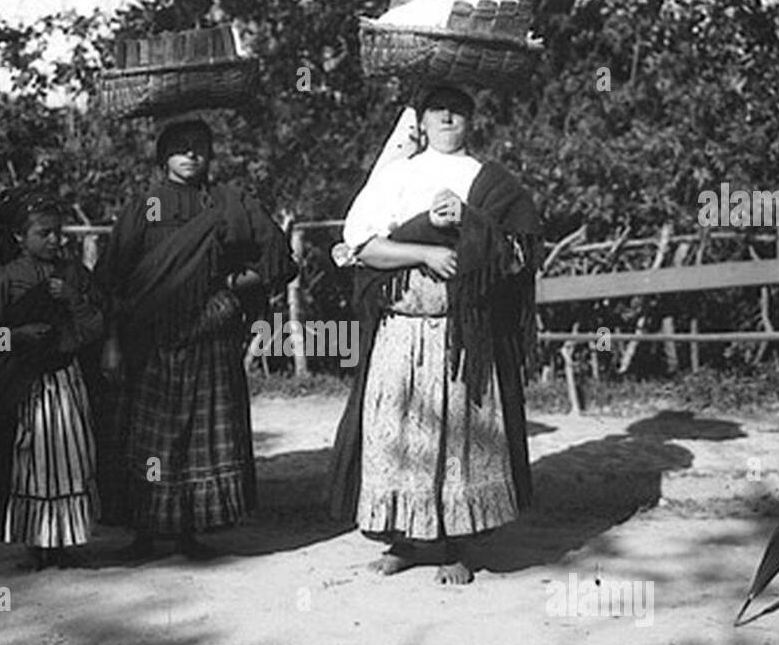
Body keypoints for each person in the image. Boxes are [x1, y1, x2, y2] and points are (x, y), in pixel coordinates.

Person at [329, 83, 547, 585]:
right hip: (401, 331)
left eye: (458, 112)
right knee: (400, 434)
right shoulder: (395, 177)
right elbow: (362, 247)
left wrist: (470, 223)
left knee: (455, 440)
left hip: (462, 338)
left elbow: (517, 257)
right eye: (438, 112)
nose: (448, 120)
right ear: (421, 122)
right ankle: (403, 539)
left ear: (471, 122)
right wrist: (424, 244)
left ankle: (453, 545)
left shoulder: (489, 180)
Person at [98, 118, 296, 560]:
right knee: (151, 438)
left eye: (200, 147)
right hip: (149, 340)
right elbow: (113, 277)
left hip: (210, 334)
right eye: (180, 147)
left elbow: (278, 257)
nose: (191, 155)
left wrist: (235, 284)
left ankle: (189, 531)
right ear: (162, 155)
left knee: (199, 438)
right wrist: (111, 341)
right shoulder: (146, 206)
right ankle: (146, 533)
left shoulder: (229, 203)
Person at [0, 194, 106, 570]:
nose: (55, 241)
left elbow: (95, 325)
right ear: (18, 237)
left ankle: (63, 541)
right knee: (31, 462)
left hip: (66, 383)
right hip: (25, 388)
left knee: (72, 457)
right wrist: (18, 335)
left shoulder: (74, 274)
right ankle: (36, 543)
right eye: (44, 233)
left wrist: (74, 299)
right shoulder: (4, 278)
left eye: (59, 233)